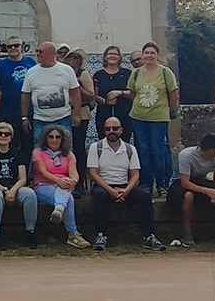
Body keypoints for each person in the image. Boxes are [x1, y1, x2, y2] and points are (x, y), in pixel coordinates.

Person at [87, 117, 164, 251]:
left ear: (121, 130)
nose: (111, 131)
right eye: (108, 129)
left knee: (145, 196)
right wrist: (110, 190)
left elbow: (135, 175)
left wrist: (126, 191)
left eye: (115, 128)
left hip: (124, 185)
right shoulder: (96, 147)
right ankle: (101, 234)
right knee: (99, 196)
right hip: (103, 185)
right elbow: (93, 174)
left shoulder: (130, 149)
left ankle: (148, 235)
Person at [125, 42, 179, 196]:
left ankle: (162, 184)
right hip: (139, 117)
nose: (149, 56)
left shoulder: (165, 72)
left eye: (152, 53)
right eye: (146, 53)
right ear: (143, 55)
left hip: (159, 118)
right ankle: (146, 183)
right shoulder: (136, 73)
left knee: (157, 150)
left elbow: (174, 94)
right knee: (143, 150)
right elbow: (132, 93)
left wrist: (166, 111)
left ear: (157, 55)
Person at [166, 133, 215, 248]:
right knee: (188, 196)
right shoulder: (187, 155)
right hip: (181, 182)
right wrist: (206, 191)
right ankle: (187, 232)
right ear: (210, 149)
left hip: (200, 180)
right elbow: (185, 182)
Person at [32, 124, 91, 248]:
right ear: (45, 138)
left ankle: (59, 210)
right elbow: (42, 171)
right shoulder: (37, 152)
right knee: (68, 198)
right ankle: (73, 234)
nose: (54, 140)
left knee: (66, 190)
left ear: (63, 139)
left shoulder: (69, 154)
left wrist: (73, 181)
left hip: (64, 186)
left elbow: (74, 174)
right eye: (51, 137)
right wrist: (59, 180)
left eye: (58, 137)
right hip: (43, 185)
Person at [0, 121, 36, 249]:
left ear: (11, 137)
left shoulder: (17, 153)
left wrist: (13, 190)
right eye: (0, 133)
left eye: (7, 134)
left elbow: (23, 178)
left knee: (30, 194)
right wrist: (5, 190)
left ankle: (30, 232)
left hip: (14, 187)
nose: (3, 136)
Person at [21, 42, 81, 143]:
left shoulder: (66, 70)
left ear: (51, 53)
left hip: (63, 118)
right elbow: (25, 95)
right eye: (37, 51)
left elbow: (75, 92)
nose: (38, 54)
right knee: (40, 151)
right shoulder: (31, 72)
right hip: (40, 120)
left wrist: (76, 114)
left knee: (65, 149)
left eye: (41, 52)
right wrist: (24, 117)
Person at [0, 36, 37, 154]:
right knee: (10, 146)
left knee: (28, 146)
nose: (13, 48)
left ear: (22, 47)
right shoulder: (1, 65)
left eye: (16, 45)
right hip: (9, 113)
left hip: (30, 113)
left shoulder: (31, 62)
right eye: (9, 46)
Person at [64, 48, 95, 195]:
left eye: (74, 58)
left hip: (81, 113)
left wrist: (77, 86)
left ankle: (80, 180)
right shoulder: (63, 72)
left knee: (79, 147)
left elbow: (90, 95)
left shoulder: (83, 74)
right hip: (64, 113)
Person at [93, 46, 133, 141]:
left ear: (119, 57)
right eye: (110, 54)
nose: (112, 56)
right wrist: (105, 101)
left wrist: (119, 93)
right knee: (104, 141)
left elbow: (133, 93)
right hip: (104, 113)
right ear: (105, 57)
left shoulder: (127, 73)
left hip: (124, 113)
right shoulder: (99, 75)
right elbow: (95, 95)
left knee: (124, 140)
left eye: (115, 54)